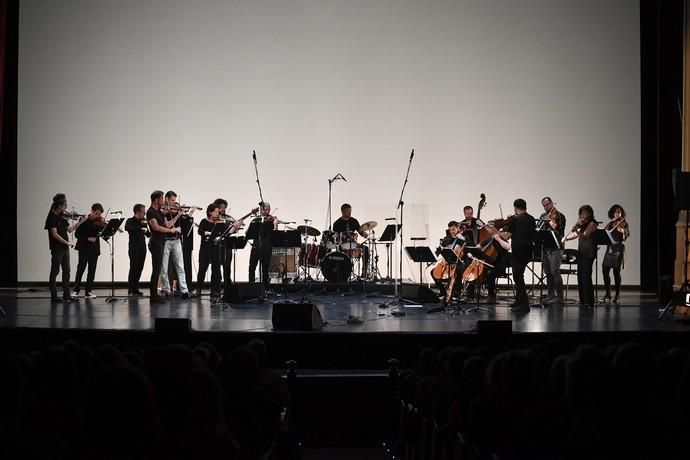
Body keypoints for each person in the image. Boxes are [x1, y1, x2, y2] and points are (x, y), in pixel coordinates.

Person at [44, 194, 84, 302]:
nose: (66, 205)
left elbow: (70, 230)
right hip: (57, 248)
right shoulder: (52, 217)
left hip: (65, 248)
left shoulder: (62, 217)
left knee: (67, 271)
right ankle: (54, 296)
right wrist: (67, 242)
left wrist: (80, 222)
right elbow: (54, 234)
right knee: (55, 271)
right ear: (59, 205)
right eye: (65, 204)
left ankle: (67, 295)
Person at [498, 199, 535, 312]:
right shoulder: (531, 219)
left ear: (515, 207)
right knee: (519, 276)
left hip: (518, 251)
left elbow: (507, 236)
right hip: (528, 251)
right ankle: (519, 300)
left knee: (518, 277)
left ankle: (524, 304)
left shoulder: (515, 219)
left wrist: (496, 233)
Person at [147, 190, 181, 304]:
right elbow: (156, 228)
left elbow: (167, 224)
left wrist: (178, 216)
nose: (163, 201)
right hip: (156, 243)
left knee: (157, 269)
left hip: (161, 242)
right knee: (156, 270)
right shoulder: (151, 212)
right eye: (162, 198)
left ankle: (155, 296)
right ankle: (153, 296)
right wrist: (170, 231)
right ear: (156, 200)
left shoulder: (159, 212)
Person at [564, 205, 598, 307]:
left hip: (589, 252)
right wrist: (566, 238)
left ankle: (589, 301)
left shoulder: (592, 223)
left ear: (589, 213)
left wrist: (576, 230)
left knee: (586, 277)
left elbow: (584, 235)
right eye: (581, 213)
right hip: (582, 253)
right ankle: (583, 300)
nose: (582, 215)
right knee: (580, 276)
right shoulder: (583, 224)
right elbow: (576, 235)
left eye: (584, 213)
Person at [160, 191, 191, 298]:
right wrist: (178, 214)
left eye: (175, 200)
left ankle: (184, 291)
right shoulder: (162, 210)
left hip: (177, 240)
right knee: (164, 268)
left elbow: (183, 223)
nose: (174, 203)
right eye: (172, 200)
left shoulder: (175, 209)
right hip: (166, 241)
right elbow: (167, 225)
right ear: (166, 199)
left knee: (180, 267)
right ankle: (167, 290)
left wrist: (186, 214)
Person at [538, 197, 567, 304]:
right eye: (544, 205)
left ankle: (560, 296)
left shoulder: (560, 216)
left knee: (555, 271)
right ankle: (551, 295)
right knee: (548, 272)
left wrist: (552, 223)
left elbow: (560, 232)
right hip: (545, 247)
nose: (546, 207)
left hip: (556, 248)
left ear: (551, 203)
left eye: (547, 204)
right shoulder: (542, 216)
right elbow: (539, 229)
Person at [73, 203, 105, 298]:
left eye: (99, 214)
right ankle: (76, 290)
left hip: (94, 249)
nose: (97, 216)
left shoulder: (100, 221)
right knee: (81, 269)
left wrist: (104, 227)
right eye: (96, 213)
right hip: (83, 248)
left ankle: (88, 291)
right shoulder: (83, 220)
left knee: (92, 270)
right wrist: (87, 238)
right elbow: (77, 234)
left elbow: (103, 233)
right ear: (91, 210)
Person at [601, 204, 630, 305]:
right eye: (616, 212)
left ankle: (617, 295)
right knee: (605, 270)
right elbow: (604, 234)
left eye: (620, 212)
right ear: (613, 213)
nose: (618, 213)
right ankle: (608, 293)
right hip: (610, 248)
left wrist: (622, 231)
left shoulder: (624, 223)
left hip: (618, 249)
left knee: (616, 272)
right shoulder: (610, 223)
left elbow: (626, 237)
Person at [332, 203, 371, 278]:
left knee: (366, 249)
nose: (350, 213)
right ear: (343, 211)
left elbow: (360, 232)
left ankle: (364, 272)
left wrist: (365, 234)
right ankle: (343, 273)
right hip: (342, 246)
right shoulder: (336, 224)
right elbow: (335, 238)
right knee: (338, 253)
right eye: (348, 211)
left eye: (350, 211)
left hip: (354, 245)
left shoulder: (354, 221)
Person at [197, 203, 225, 301]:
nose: (218, 214)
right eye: (216, 212)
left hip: (215, 249)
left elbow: (223, 232)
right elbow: (200, 231)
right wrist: (207, 233)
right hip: (205, 248)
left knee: (216, 269)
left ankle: (215, 290)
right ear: (210, 212)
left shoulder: (219, 222)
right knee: (202, 269)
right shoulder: (204, 221)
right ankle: (198, 289)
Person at [431, 221, 465, 300]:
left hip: (459, 261)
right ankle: (442, 292)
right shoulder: (446, 239)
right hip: (447, 262)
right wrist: (434, 257)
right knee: (433, 272)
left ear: (458, 229)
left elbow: (469, 246)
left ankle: (457, 293)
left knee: (458, 271)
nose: (452, 232)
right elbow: (440, 249)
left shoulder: (463, 238)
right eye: (450, 230)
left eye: (454, 229)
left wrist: (462, 239)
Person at [248, 202, 277, 290]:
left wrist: (275, 223)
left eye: (266, 209)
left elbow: (275, 231)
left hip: (267, 246)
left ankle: (266, 288)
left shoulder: (272, 220)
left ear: (269, 210)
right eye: (262, 209)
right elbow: (248, 233)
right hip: (256, 246)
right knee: (252, 267)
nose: (264, 211)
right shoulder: (256, 220)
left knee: (265, 269)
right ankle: (251, 287)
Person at [125, 204, 150, 296]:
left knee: (140, 268)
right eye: (143, 212)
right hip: (134, 248)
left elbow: (148, 235)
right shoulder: (130, 221)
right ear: (138, 212)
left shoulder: (143, 221)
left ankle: (136, 288)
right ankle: (131, 288)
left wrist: (147, 230)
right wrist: (140, 228)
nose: (144, 213)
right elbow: (127, 228)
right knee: (133, 267)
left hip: (142, 248)